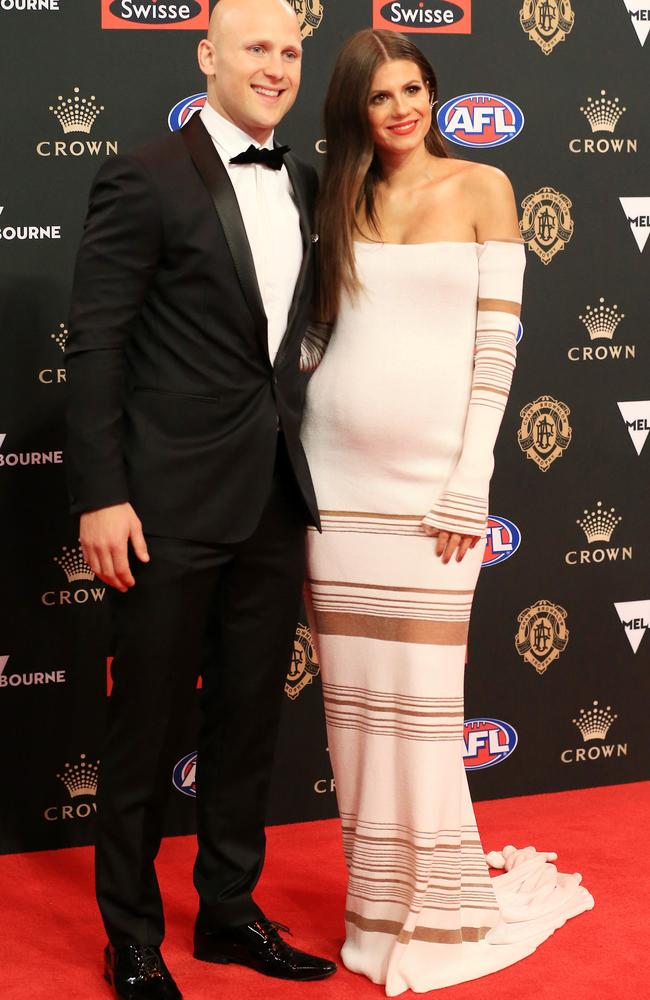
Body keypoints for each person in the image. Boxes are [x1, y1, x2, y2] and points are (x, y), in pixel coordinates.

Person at [300, 29, 594, 995]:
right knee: (354, 712)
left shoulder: (482, 188)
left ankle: (439, 909)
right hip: (333, 485)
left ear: (436, 94)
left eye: (414, 89)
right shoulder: (337, 195)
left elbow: (494, 355)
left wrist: (473, 474)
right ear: (356, 107)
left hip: (432, 492)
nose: (401, 110)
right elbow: (316, 339)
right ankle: (376, 908)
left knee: (423, 712)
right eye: (380, 96)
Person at [66, 1, 337, 996]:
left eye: (290, 51)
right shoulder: (142, 174)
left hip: (269, 496)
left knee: (248, 722)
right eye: (256, 47)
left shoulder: (303, 181)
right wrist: (102, 495)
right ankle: (131, 935)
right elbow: (95, 344)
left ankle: (227, 912)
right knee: (143, 731)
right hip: (164, 505)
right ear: (206, 55)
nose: (274, 66)